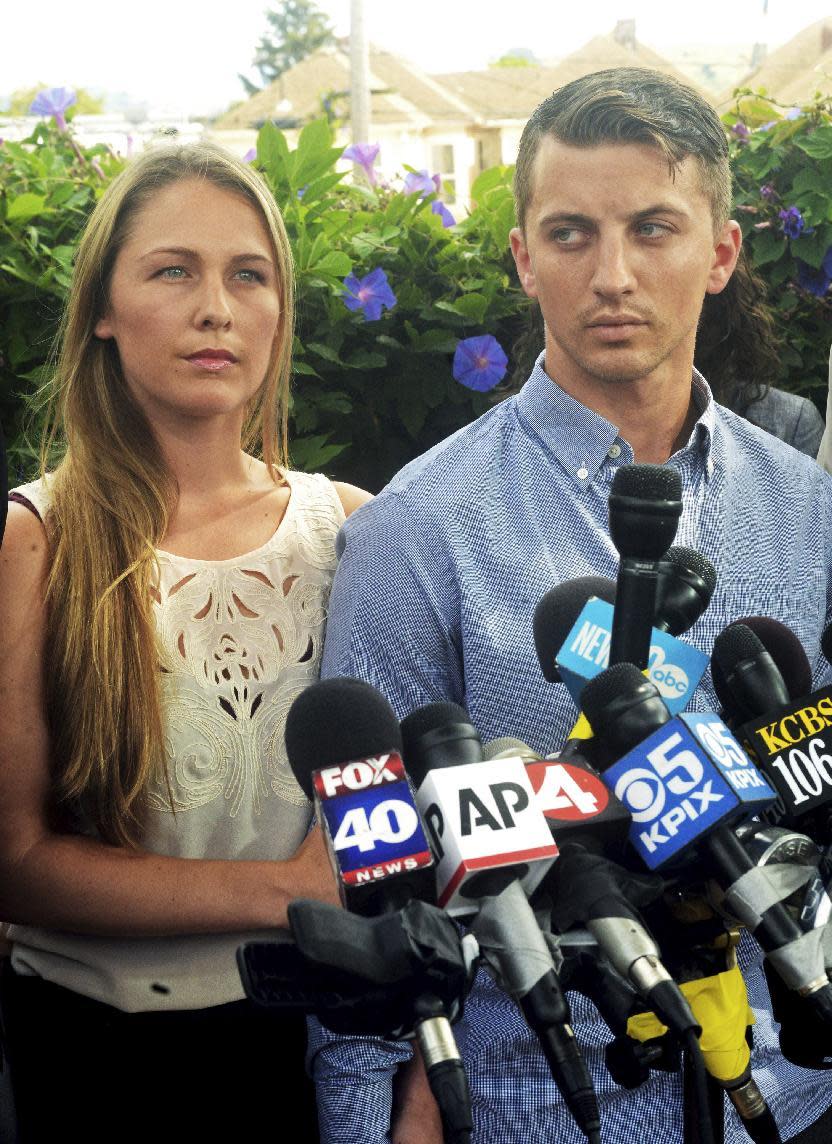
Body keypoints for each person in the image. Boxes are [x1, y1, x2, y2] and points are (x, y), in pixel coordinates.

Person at [310, 68, 832, 1143]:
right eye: (568, 233)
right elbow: (371, 872)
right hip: (541, 1105)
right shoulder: (418, 528)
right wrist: (368, 1121)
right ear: (520, 257)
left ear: (722, 253)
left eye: (653, 228)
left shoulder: (808, 505)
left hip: (796, 1088)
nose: (612, 275)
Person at [0, 141, 370, 1142]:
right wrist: (285, 890)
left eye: (248, 275)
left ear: (279, 314)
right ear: (104, 312)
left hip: (322, 1051)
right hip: (101, 1062)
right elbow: (16, 859)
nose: (216, 306)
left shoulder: (352, 529)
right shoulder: (38, 540)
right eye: (174, 270)